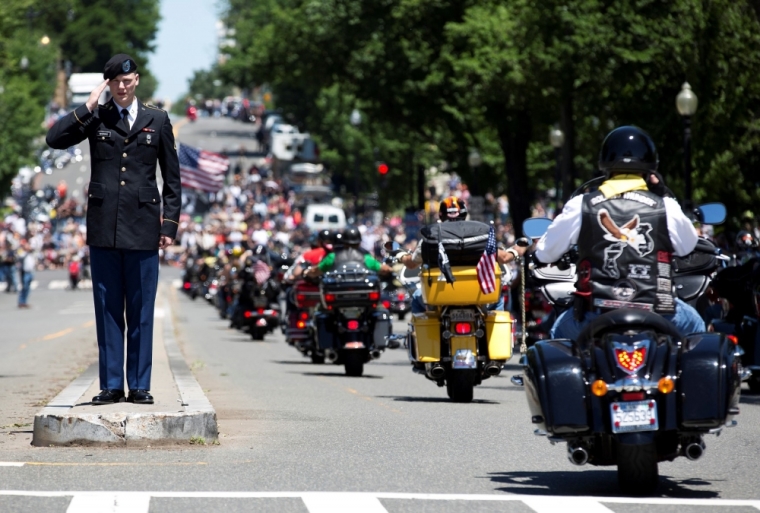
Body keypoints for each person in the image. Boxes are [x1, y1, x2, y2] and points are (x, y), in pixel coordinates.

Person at [45, 54, 181, 405]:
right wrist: (85, 107)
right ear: (108, 84)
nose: (123, 86)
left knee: (140, 311)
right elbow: (55, 140)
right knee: (107, 309)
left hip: (143, 228)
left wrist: (169, 224)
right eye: (116, 82)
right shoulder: (97, 117)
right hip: (104, 227)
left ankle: (139, 385)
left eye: (128, 80)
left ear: (136, 80)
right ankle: (110, 384)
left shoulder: (158, 119)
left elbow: (172, 181)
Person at [533, 126, 704, 341]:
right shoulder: (665, 206)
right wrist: (664, 195)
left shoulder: (581, 205)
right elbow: (688, 245)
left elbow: (545, 253)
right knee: (696, 326)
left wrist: (537, 257)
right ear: (651, 169)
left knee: (557, 334)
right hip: (660, 312)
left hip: (594, 313)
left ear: (605, 165)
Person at [398, 196, 527, 313]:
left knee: (416, 296)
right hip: (478, 294)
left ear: (441, 215)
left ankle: (419, 337)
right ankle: (497, 338)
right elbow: (504, 257)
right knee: (497, 298)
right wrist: (518, 249)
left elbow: (410, 263)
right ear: (464, 213)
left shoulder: (431, 237)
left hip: (440, 295)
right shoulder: (481, 234)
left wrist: (400, 255)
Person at [307, 227, 392, 278]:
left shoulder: (332, 257)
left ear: (343, 242)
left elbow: (315, 272)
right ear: (359, 243)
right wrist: (392, 269)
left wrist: (306, 272)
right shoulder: (366, 257)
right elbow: (384, 269)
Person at [17, 239, 35, 308]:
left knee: (28, 288)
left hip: (30, 272)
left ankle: (24, 301)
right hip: (25, 272)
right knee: (24, 287)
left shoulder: (30, 253)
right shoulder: (22, 253)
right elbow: (19, 257)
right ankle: (21, 301)